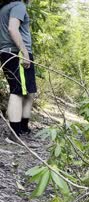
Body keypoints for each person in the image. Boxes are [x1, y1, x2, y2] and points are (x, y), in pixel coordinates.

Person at [0, 0, 36, 137]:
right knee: (18, 92)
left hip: (8, 52)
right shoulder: (18, 6)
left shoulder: (4, 8)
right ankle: (15, 133)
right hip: (16, 53)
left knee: (29, 91)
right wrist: (24, 52)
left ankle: (23, 127)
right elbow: (12, 28)